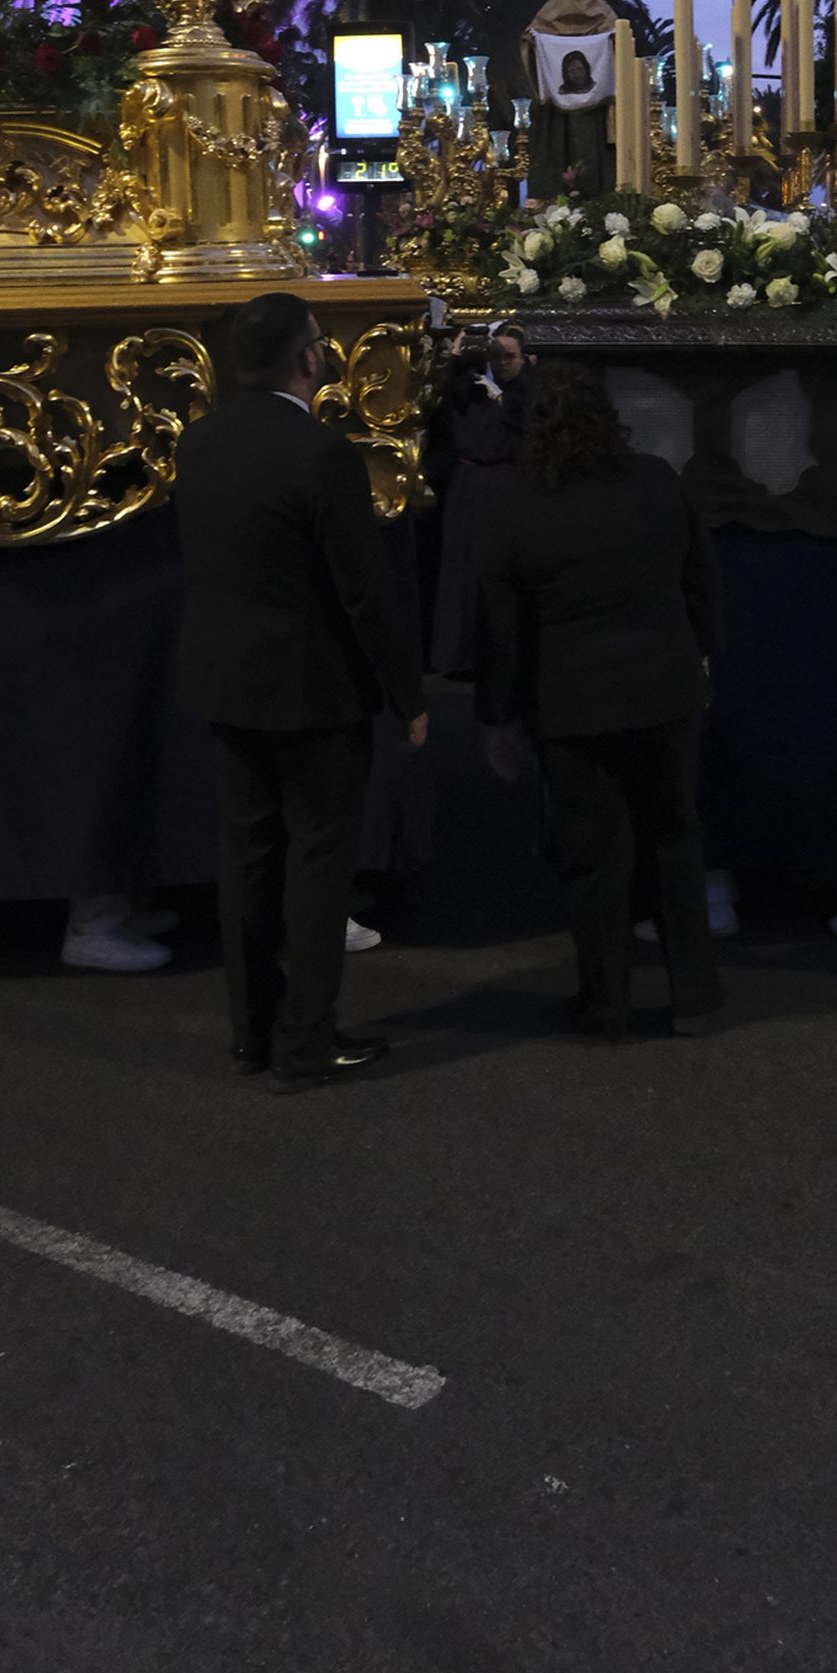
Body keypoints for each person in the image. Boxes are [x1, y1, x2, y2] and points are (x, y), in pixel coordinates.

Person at [172, 291, 428, 1092]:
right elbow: (364, 591)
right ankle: (308, 1037)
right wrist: (406, 693)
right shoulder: (322, 454)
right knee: (319, 860)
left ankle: (251, 1030)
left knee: (246, 855)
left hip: (227, 680)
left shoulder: (201, 444)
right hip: (313, 687)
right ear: (307, 359)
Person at [476, 362, 724, 1038]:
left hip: (573, 701)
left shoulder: (515, 504)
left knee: (594, 851)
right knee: (675, 836)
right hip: (665, 686)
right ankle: (695, 995)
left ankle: (606, 997)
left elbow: (501, 626)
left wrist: (498, 715)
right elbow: (698, 578)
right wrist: (700, 650)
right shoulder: (655, 481)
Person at [427, 322, 536, 678]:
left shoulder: (529, 393)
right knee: (463, 567)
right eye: (496, 356)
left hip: (509, 481)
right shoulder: (470, 387)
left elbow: (524, 419)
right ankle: (459, 656)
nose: (503, 363)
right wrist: (458, 359)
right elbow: (448, 396)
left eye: (510, 356)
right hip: (470, 483)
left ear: (524, 358)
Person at [519, 0, 620, 197]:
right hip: (558, 106)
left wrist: (613, 40)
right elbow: (531, 36)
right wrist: (534, 42)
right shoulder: (552, 9)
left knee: (591, 143)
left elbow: (618, 34)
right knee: (557, 142)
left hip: (594, 106)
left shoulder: (601, 10)